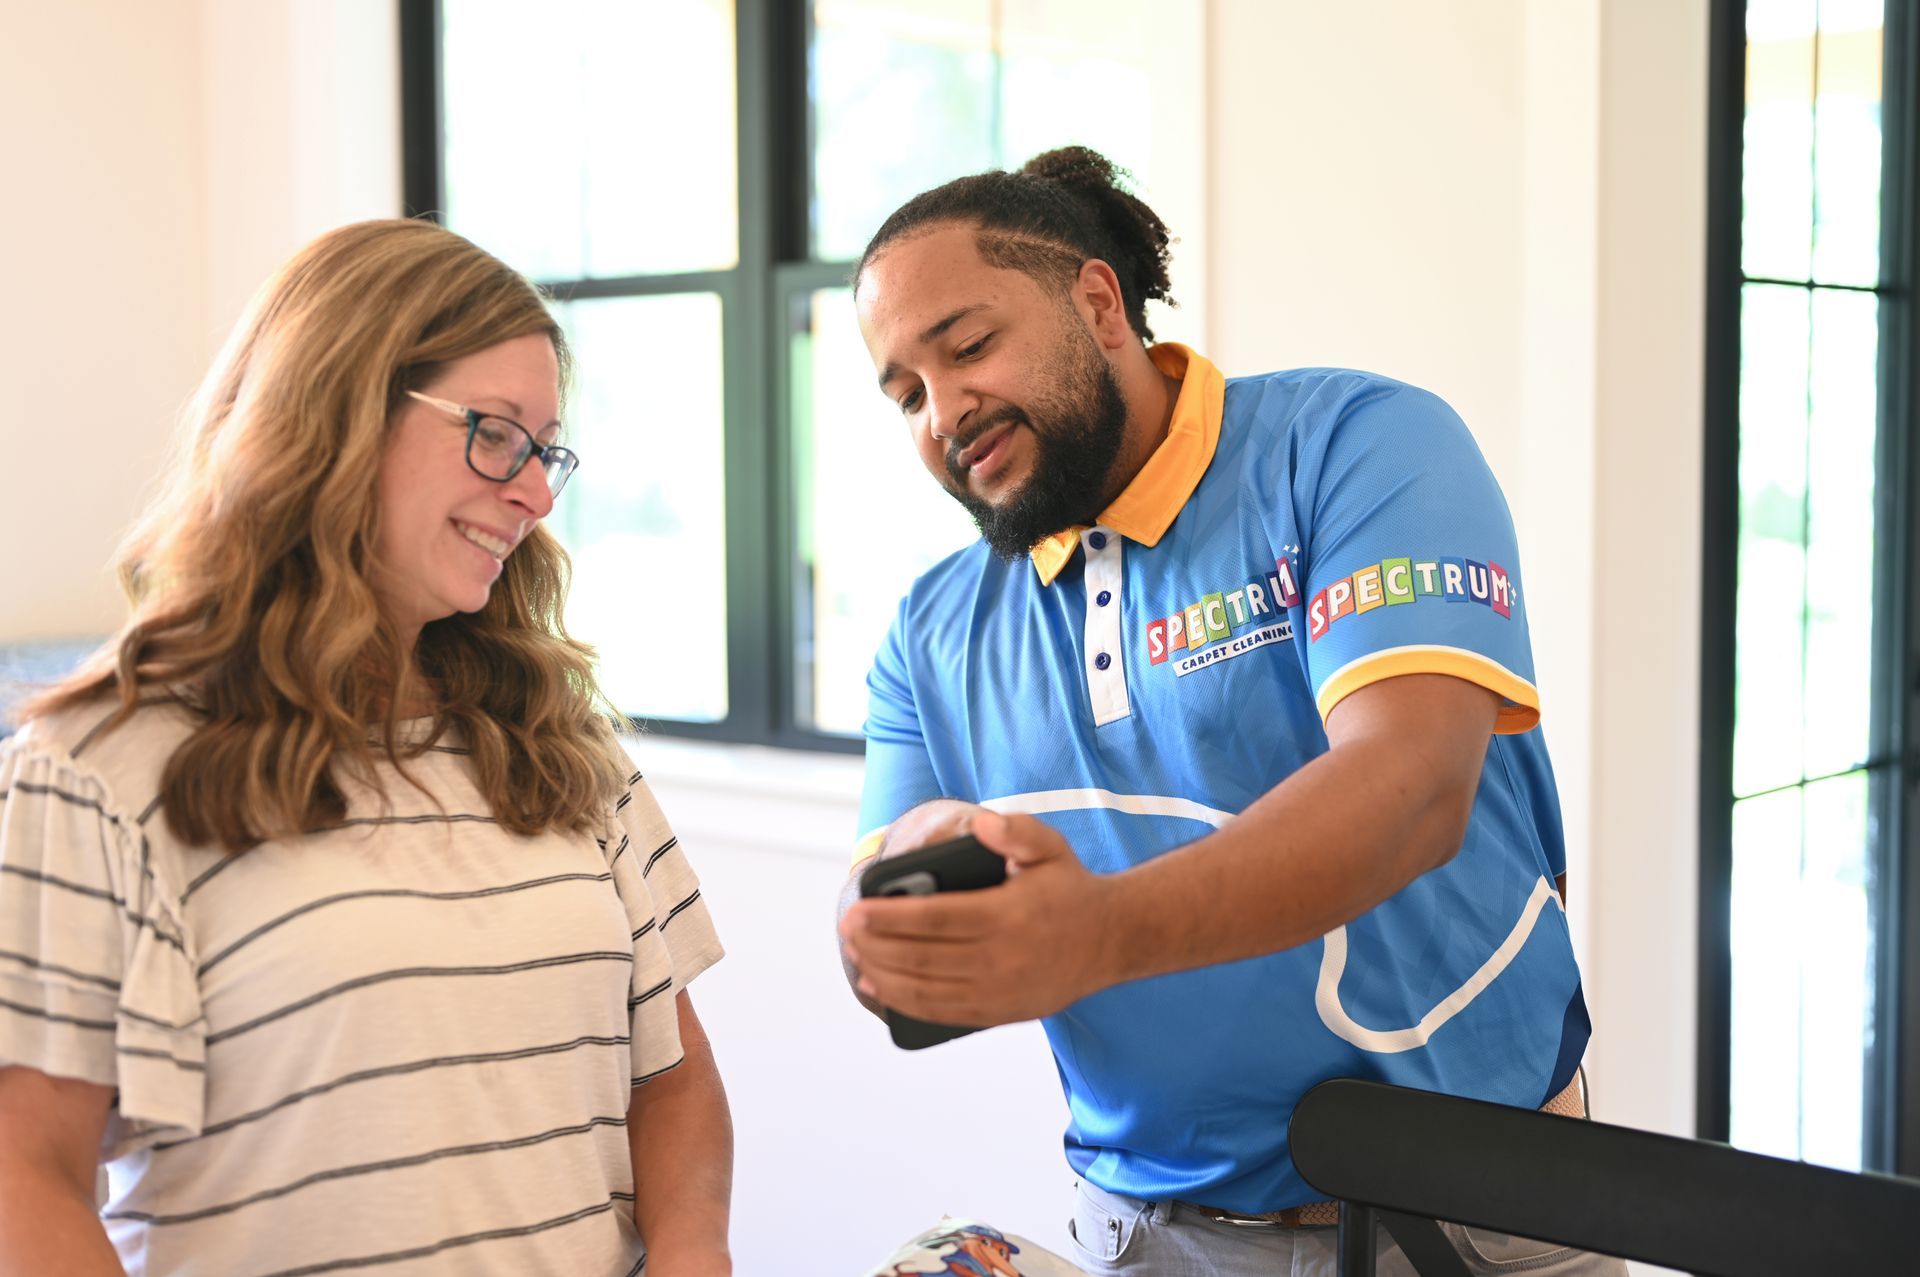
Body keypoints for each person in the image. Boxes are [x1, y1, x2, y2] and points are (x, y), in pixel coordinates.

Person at [835, 147, 1624, 1276]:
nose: (943, 412)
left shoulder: (1359, 445)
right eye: (905, 392)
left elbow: (1413, 788)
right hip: (1149, 1234)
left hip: (1477, 1215)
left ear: (1096, 302)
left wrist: (1095, 929)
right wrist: (909, 926)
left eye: (968, 347)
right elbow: (879, 923)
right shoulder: (930, 631)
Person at [0, 220, 731, 1275]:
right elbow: (28, 1175)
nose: (534, 492)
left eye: (546, 450)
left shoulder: (563, 741)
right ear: (335, 413)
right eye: (496, 433)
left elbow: (671, 1078)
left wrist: (693, 1254)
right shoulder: (98, 767)